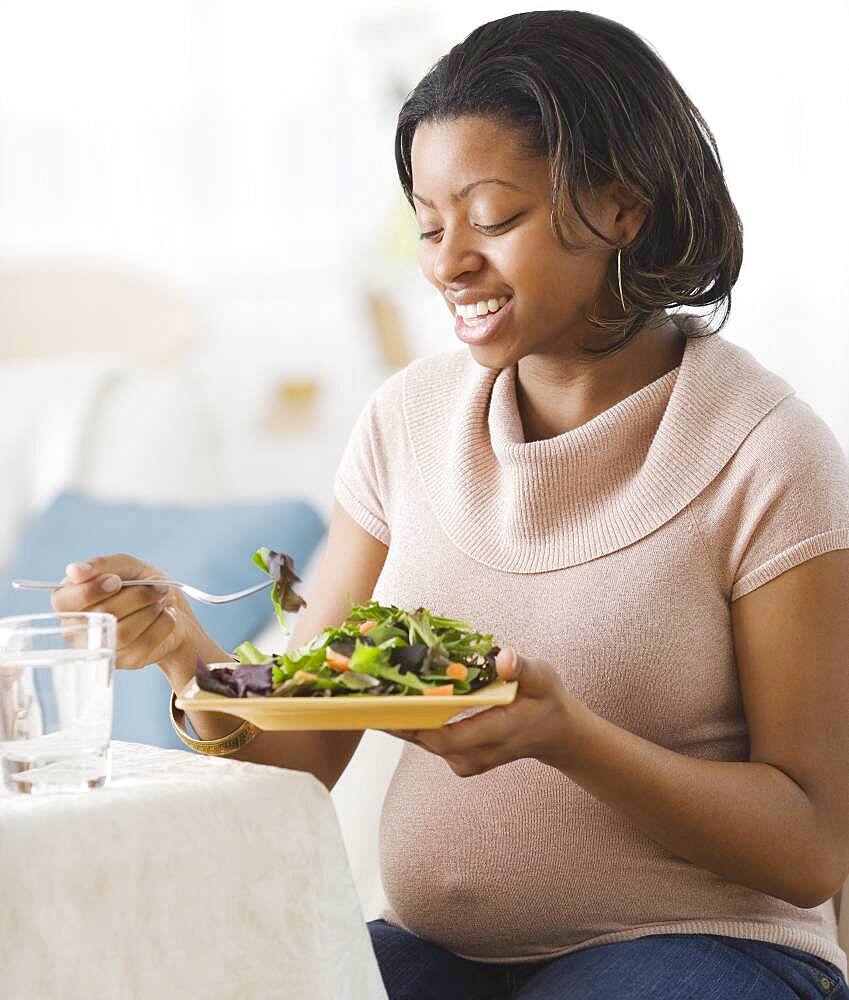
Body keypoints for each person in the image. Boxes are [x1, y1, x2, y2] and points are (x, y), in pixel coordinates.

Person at [53, 10, 849, 1000]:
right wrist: (182, 646)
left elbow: (814, 844)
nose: (447, 262)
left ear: (624, 206)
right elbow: (301, 751)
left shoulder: (768, 451)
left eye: (494, 218)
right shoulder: (406, 424)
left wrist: (570, 737)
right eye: (431, 224)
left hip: (708, 949)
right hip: (441, 959)